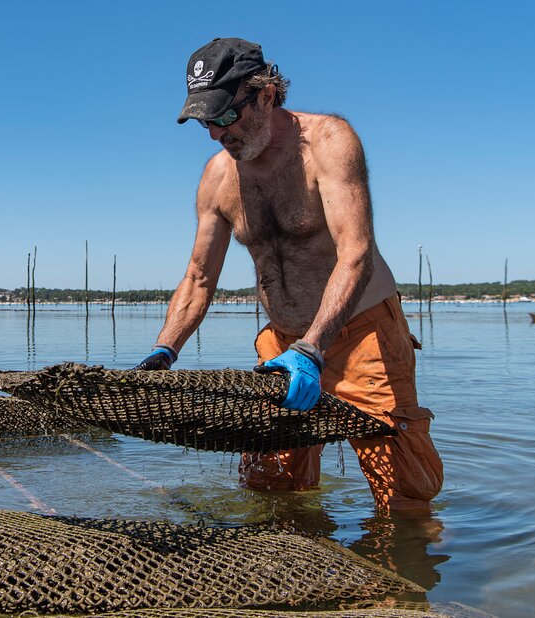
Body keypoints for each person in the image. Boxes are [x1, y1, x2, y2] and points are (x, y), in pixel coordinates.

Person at [136, 37, 443, 513]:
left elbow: (355, 254)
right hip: (281, 345)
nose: (218, 134)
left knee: (402, 495)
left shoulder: (329, 142)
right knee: (270, 492)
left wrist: (313, 347)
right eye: (205, 123)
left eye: (224, 116)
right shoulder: (218, 176)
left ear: (265, 94)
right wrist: (164, 350)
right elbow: (198, 279)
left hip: (363, 336)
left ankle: (403, 585)